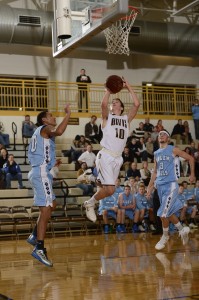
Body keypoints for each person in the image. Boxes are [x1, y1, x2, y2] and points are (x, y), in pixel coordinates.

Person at [84, 78, 140, 222]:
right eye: (112, 102)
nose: (112, 103)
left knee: (108, 190)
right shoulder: (107, 118)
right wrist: (108, 91)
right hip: (106, 155)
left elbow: (136, 104)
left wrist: (128, 87)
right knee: (110, 190)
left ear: (121, 107)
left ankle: (95, 180)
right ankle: (90, 202)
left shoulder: (126, 119)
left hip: (118, 158)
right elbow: (103, 104)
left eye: (116, 102)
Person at [27, 104, 71, 267]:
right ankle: (39, 248)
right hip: (40, 173)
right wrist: (68, 114)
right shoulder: (45, 128)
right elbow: (59, 131)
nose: (54, 118)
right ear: (44, 120)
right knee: (46, 209)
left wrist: (53, 164)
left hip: (41, 171)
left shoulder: (44, 135)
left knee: (52, 204)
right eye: (51, 115)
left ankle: (33, 235)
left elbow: (44, 152)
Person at [147, 130, 195, 250]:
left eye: (163, 134)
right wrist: (150, 186)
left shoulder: (173, 149)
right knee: (169, 213)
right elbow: (156, 172)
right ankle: (182, 229)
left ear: (168, 139)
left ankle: (165, 236)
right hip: (160, 187)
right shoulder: (157, 153)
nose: (161, 135)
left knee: (163, 214)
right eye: (159, 135)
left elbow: (190, 158)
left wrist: (192, 174)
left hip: (171, 186)